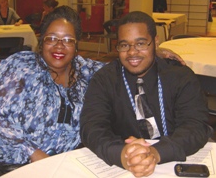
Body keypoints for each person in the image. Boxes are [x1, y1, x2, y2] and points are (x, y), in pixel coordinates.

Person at [0, 5, 184, 177]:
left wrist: (153, 51)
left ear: (76, 45)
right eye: (52, 38)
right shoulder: (19, 66)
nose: (59, 46)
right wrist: (36, 156)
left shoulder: (85, 70)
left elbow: (123, 65)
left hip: (64, 164)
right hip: (4, 162)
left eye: (68, 40)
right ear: (41, 40)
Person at [80, 11, 213, 177]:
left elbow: (195, 126)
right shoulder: (105, 79)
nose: (132, 52)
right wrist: (121, 154)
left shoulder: (180, 77)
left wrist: (156, 152)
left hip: (173, 159)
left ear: (156, 42)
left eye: (141, 44)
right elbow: (91, 127)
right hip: (124, 166)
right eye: (124, 45)